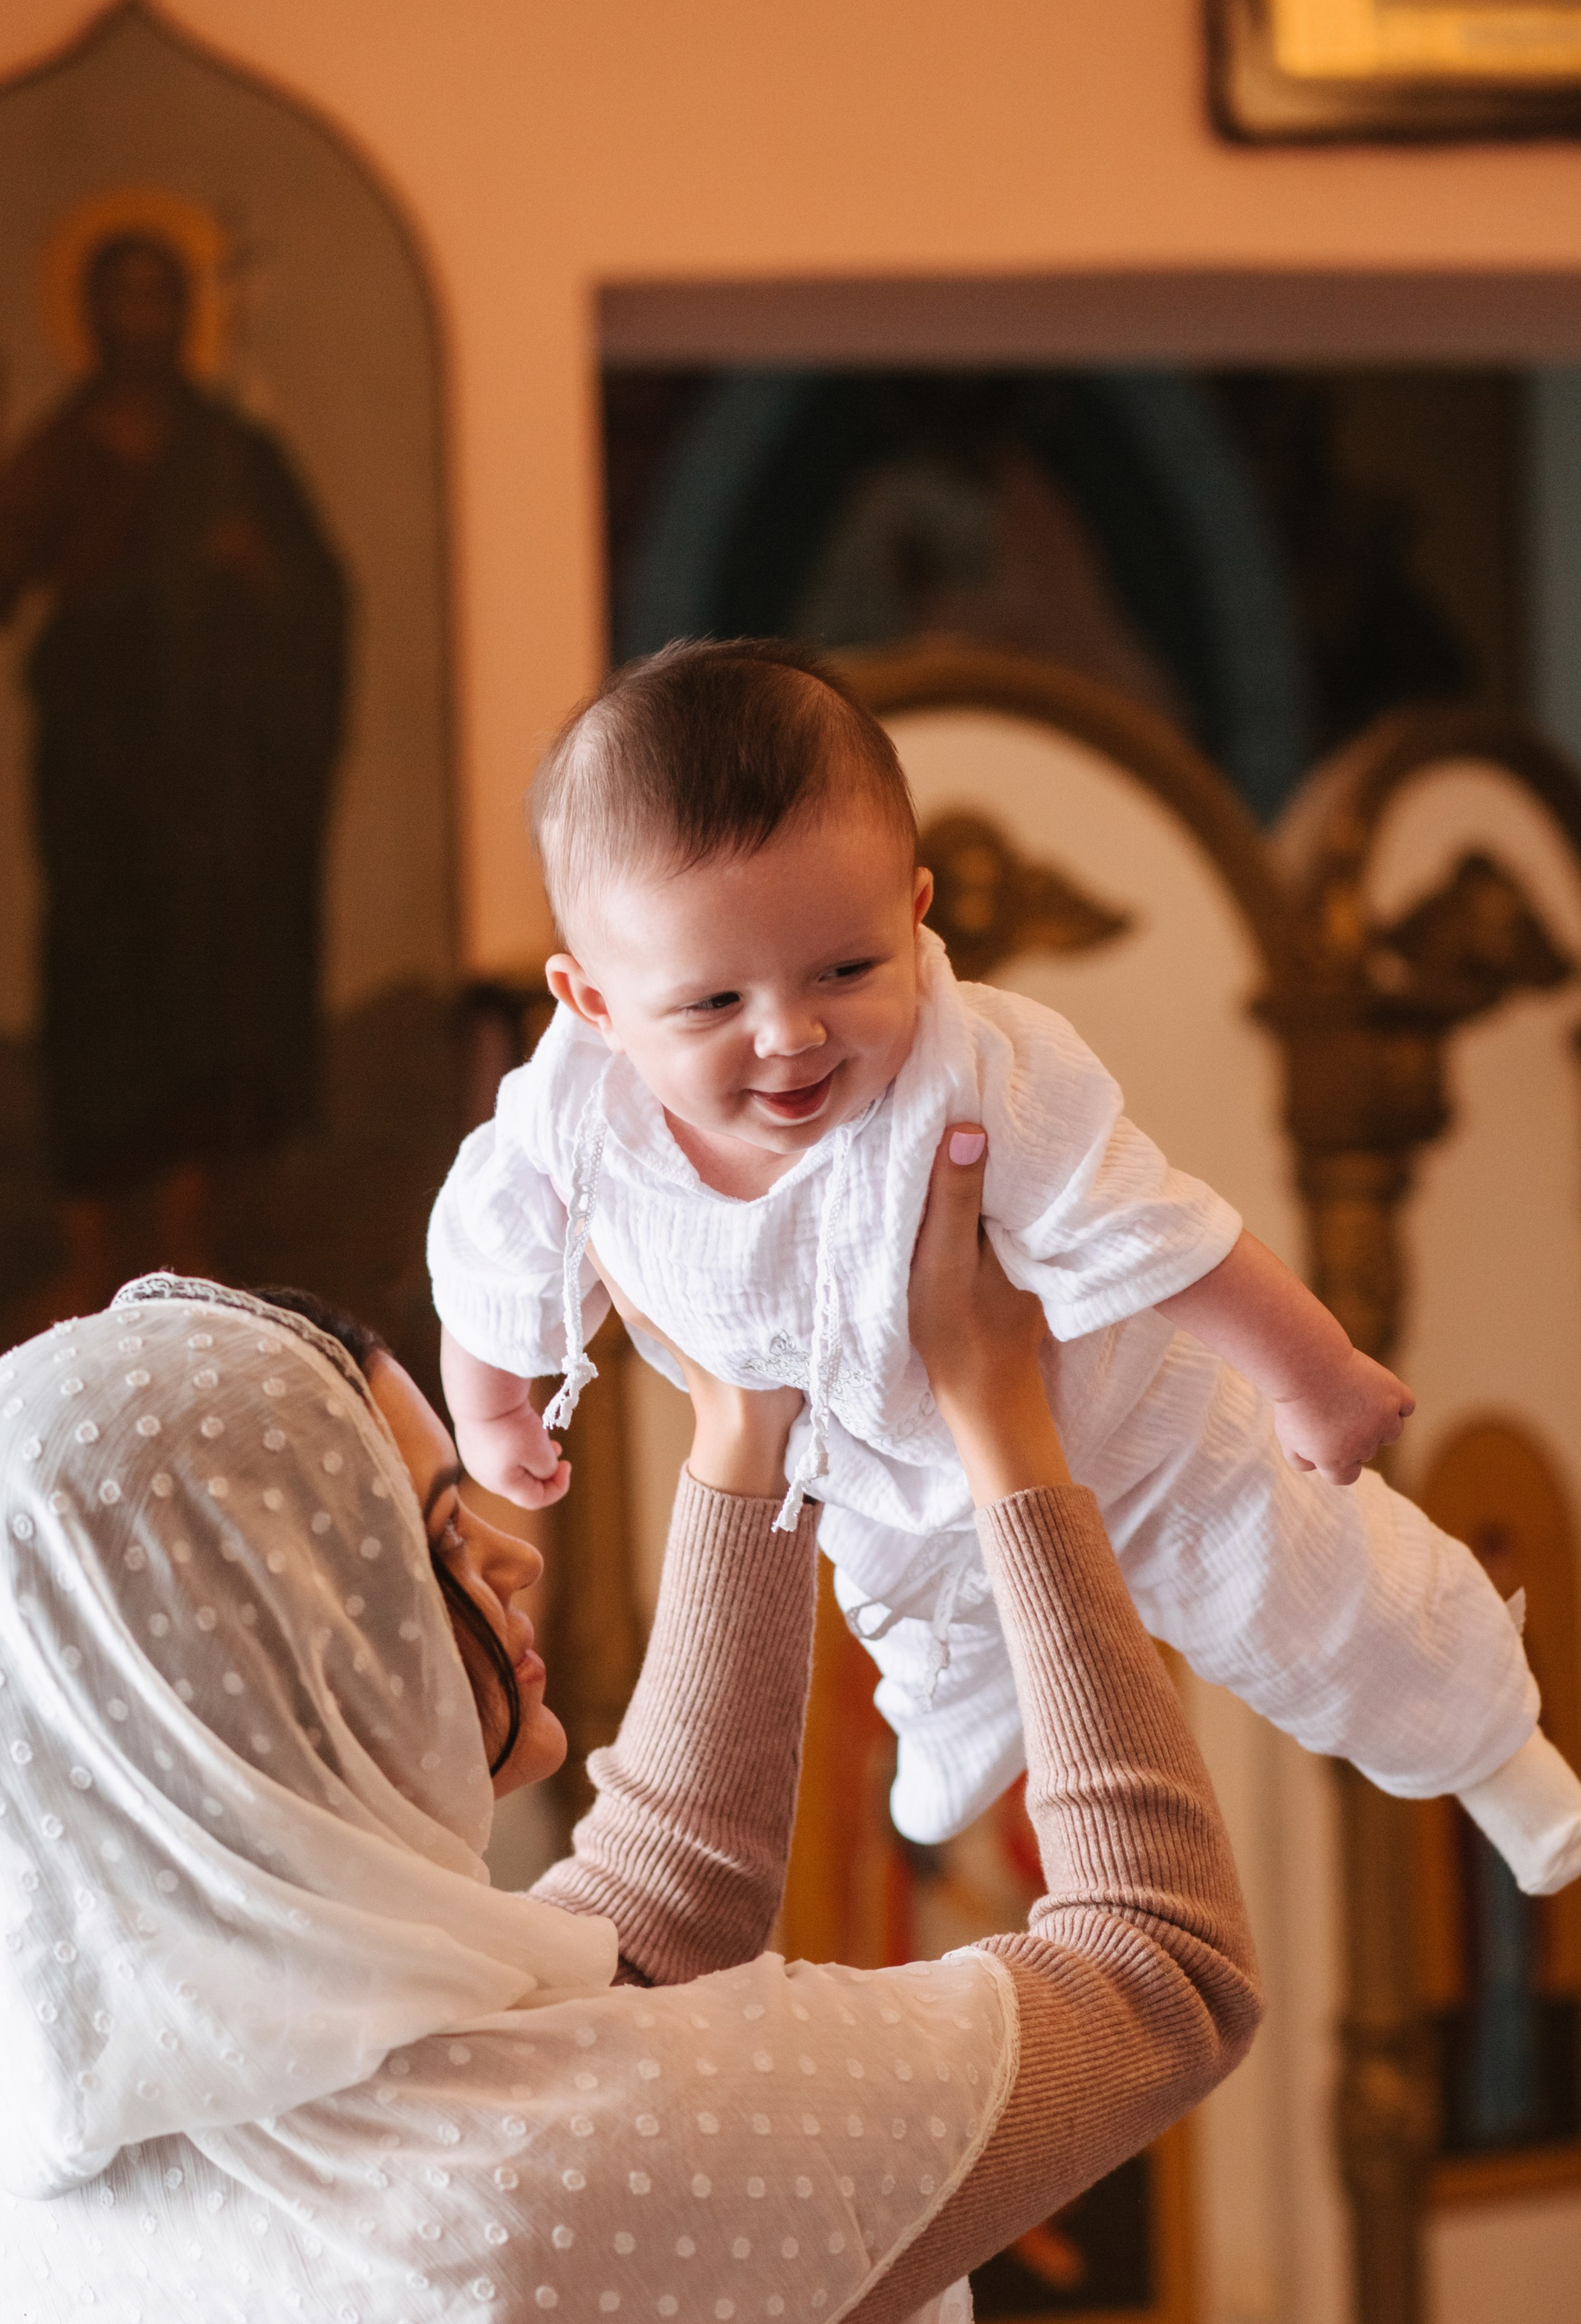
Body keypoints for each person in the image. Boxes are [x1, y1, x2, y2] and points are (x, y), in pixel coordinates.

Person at [0, 1132, 1262, 2324]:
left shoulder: (5, 2192)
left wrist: (749, 1421)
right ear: (274, 1645)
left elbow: (648, 1917)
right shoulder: (564, 2190)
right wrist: (1006, 1430)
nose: (512, 1561)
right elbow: (1161, 1963)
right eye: (426, 1537)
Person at [428, 637, 1581, 1895]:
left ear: (915, 916)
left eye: (847, 969)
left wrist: (1313, 1370)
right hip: (870, 1480)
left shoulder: (980, 1071)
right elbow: (487, 1258)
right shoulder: (567, 1123)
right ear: (591, 1002)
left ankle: (1500, 1758)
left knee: (1310, 1591)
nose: (790, 1034)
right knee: (918, 1620)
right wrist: (490, 1410)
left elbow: (1154, 1229)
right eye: (711, 1006)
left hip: (1133, 1429)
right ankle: (956, 1731)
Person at [0, 229, 349, 1306]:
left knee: (205, 983)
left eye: (160, 297)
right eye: (121, 298)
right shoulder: (67, 445)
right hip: (96, 764)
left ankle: (192, 1233)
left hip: (211, 773)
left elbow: (318, 592)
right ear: (90, 312)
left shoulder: (232, 450)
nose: (142, 319)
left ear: (184, 314)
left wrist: (257, 576)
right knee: (98, 979)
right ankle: (91, 1241)